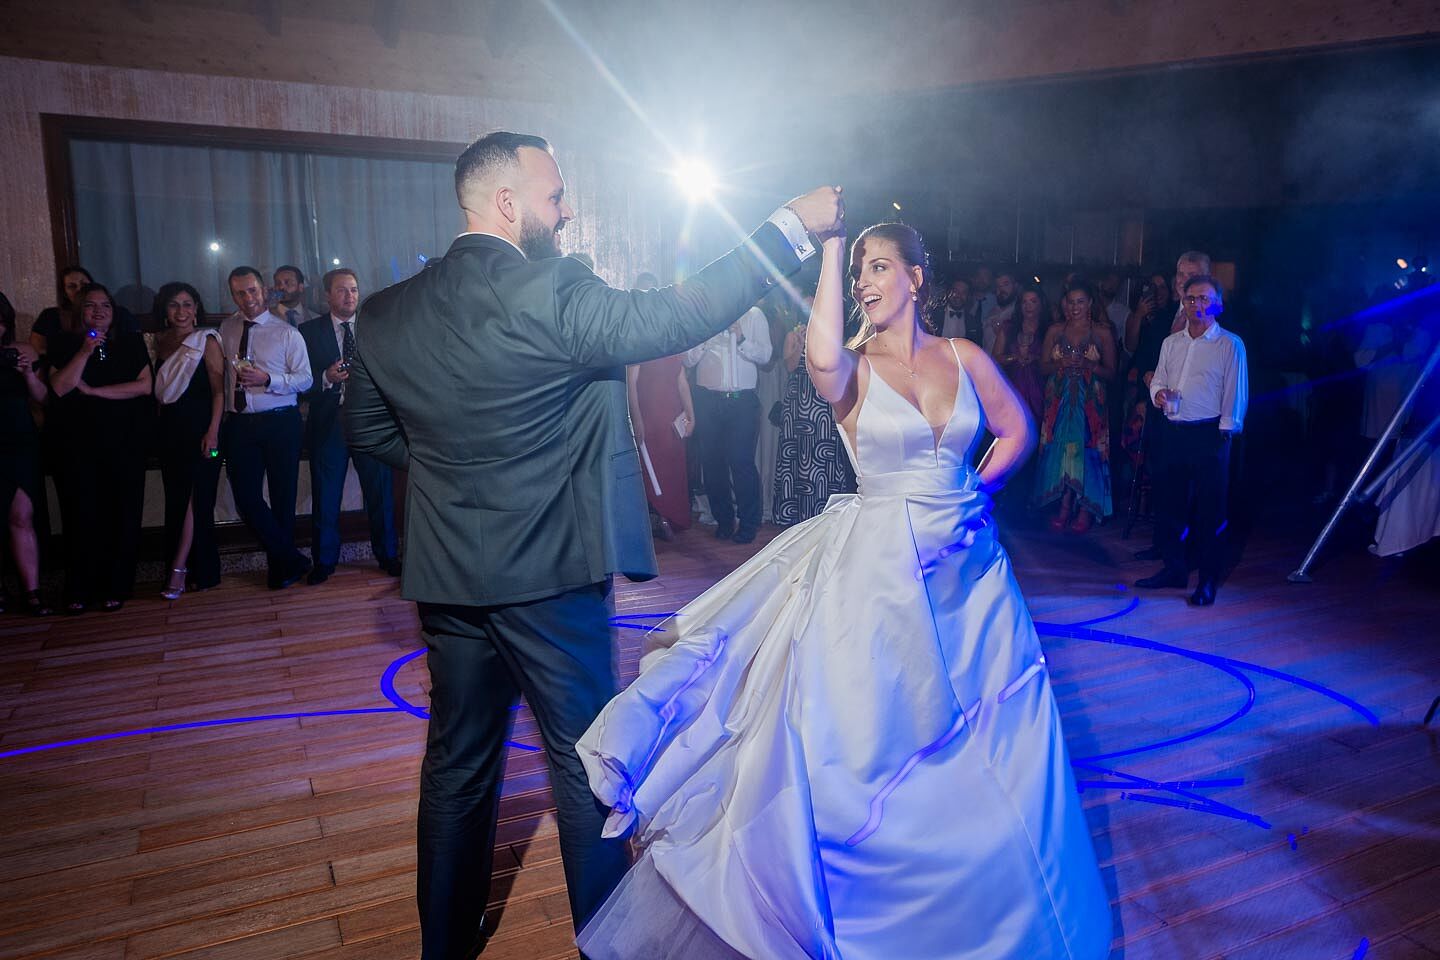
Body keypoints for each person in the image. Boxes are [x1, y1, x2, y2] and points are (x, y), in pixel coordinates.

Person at [342, 130, 840, 959]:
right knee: (585, 769)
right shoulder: (551, 291)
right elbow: (680, 311)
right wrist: (788, 224)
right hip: (551, 573)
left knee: (457, 770)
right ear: (506, 203)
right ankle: (608, 947)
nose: (565, 211)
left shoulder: (386, 313)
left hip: (450, 578)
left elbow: (368, 432)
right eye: (554, 194)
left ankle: (443, 951)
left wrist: (463, 476)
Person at [575, 221, 1110, 960]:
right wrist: (829, 245)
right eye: (859, 270)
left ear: (917, 278)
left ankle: (995, 906)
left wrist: (967, 494)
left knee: (996, 742)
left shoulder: (967, 356)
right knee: (880, 739)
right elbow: (820, 358)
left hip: (971, 584)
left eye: (880, 265)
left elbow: (1018, 431)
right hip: (878, 580)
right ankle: (873, 909)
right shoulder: (848, 366)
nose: (866, 280)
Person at [1137, 276, 1249, 606]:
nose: (1196, 305)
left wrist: (1227, 430)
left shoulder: (1229, 344)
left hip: (1210, 434)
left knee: (1210, 513)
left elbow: (1235, 390)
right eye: (1190, 299)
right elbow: (1158, 378)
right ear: (1182, 303)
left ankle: (1208, 580)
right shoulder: (1172, 343)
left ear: (1218, 305)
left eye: (1203, 299)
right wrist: (1158, 394)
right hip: (1174, 432)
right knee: (1170, 506)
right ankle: (1174, 568)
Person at [47, 284, 153, 613]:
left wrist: (95, 393)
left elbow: (146, 386)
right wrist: (84, 351)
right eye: (91, 306)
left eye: (105, 305)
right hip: (78, 444)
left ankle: (117, 587)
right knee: (82, 516)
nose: (99, 311)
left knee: (122, 515)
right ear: (80, 311)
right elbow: (61, 388)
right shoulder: (64, 343)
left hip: (124, 441)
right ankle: (80, 589)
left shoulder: (131, 341)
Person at [300, 268, 400, 584]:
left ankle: (388, 556)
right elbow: (300, 384)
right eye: (342, 290)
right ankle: (325, 561)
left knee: (380, 493)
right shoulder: (308, 332)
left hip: (371, 423)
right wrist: (325, 378)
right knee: (326, 494)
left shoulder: (375, 328)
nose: (350, 296)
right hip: (330, 423)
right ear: (327, 295)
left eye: (354, 290)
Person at [220, 266, 314, 590]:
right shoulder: (227, 328)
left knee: (282, 497)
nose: (247, 298)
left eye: (252, 291)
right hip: (241, 423)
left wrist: (269, 379)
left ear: (265, 291)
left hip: (280, 422)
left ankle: (281, 569)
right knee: (245, 497)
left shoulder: (286, 333)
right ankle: (291, 557)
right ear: (232, 295)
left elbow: (306, 379)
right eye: (240, 293)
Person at [150, 282, 225, 599]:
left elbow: (220, 390)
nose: (181, 311)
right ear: (165, 311)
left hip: (203, 431)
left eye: (187, 304)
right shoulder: (160, 341)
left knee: (197, 501)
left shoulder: (205, 340)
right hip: (170, 432)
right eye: (174, 305)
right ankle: (198, 571)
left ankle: (181, 571)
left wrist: (213, 432)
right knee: (177, 500)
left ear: (197, 309)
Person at [683, 304, 773, 543]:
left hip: (742, 401)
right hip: (707, 399)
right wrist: (704, 335)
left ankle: (749, 522)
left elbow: (765, 355)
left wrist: (741, 337)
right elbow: (688, 360)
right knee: (712, 463)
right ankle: (723, 521)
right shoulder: (702, 315)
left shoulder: (754, 315)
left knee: (741, 460)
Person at [1034, 280, 1117, 532]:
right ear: (1065, 304)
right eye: (1071, 302)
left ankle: (1085, 509)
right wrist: (1062, 364)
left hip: (1090, 403)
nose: (1075, 307)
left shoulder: (1102, 332)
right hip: (1059, 402)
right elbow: (1042, 367)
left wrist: (1089, 366)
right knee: (1063, 451)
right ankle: (1065, 504)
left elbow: (1112, 373)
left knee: (1087, 451)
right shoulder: (1055, 330)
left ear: (1090, 303)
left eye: (1081, 301)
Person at [772, 293, 857, 526]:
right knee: (796, 458)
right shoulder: (793, 334)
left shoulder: (834, 336)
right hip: (797, 405)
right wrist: (798, 346)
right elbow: (789, 367)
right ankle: (796, 516)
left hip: (823, 406)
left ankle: (824, 515)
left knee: (824, 458)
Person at [625, 271, 695, 541]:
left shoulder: (671, 334)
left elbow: (681, 380)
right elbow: (631, 384)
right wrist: (637, 419)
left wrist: (691, 413)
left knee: (674, 466)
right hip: (649, 416)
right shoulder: (635, 336)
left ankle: (674, 517)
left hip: (671, 415)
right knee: (649, 470)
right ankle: (655, 519)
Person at [0, 292, 51, 615]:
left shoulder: (22, 352)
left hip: (18, 438)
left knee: (22, 514)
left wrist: (28, 374)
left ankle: (32, 591)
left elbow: (44, 398)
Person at [991, 283, 1049, 421]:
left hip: (1041, 389)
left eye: (1033, 301)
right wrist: (1014, 357)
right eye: (1024, 302)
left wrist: (1035, 358)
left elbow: (1054, 361)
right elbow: (995, 358)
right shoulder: (1009, 327)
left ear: (1041, 305)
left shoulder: (1049, 329)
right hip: (1013, 387)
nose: (1028, 306)